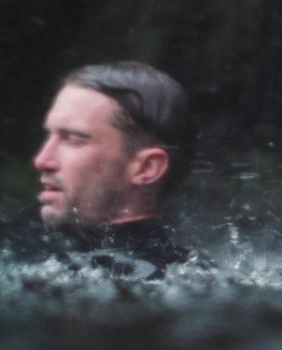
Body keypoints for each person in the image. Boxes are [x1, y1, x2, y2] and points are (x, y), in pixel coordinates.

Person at [23, 60, 193, 279]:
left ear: (146, 168)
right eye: (50, 135)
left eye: (74, 139)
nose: (42, 160)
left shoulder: (135, 284)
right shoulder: (192, 274)